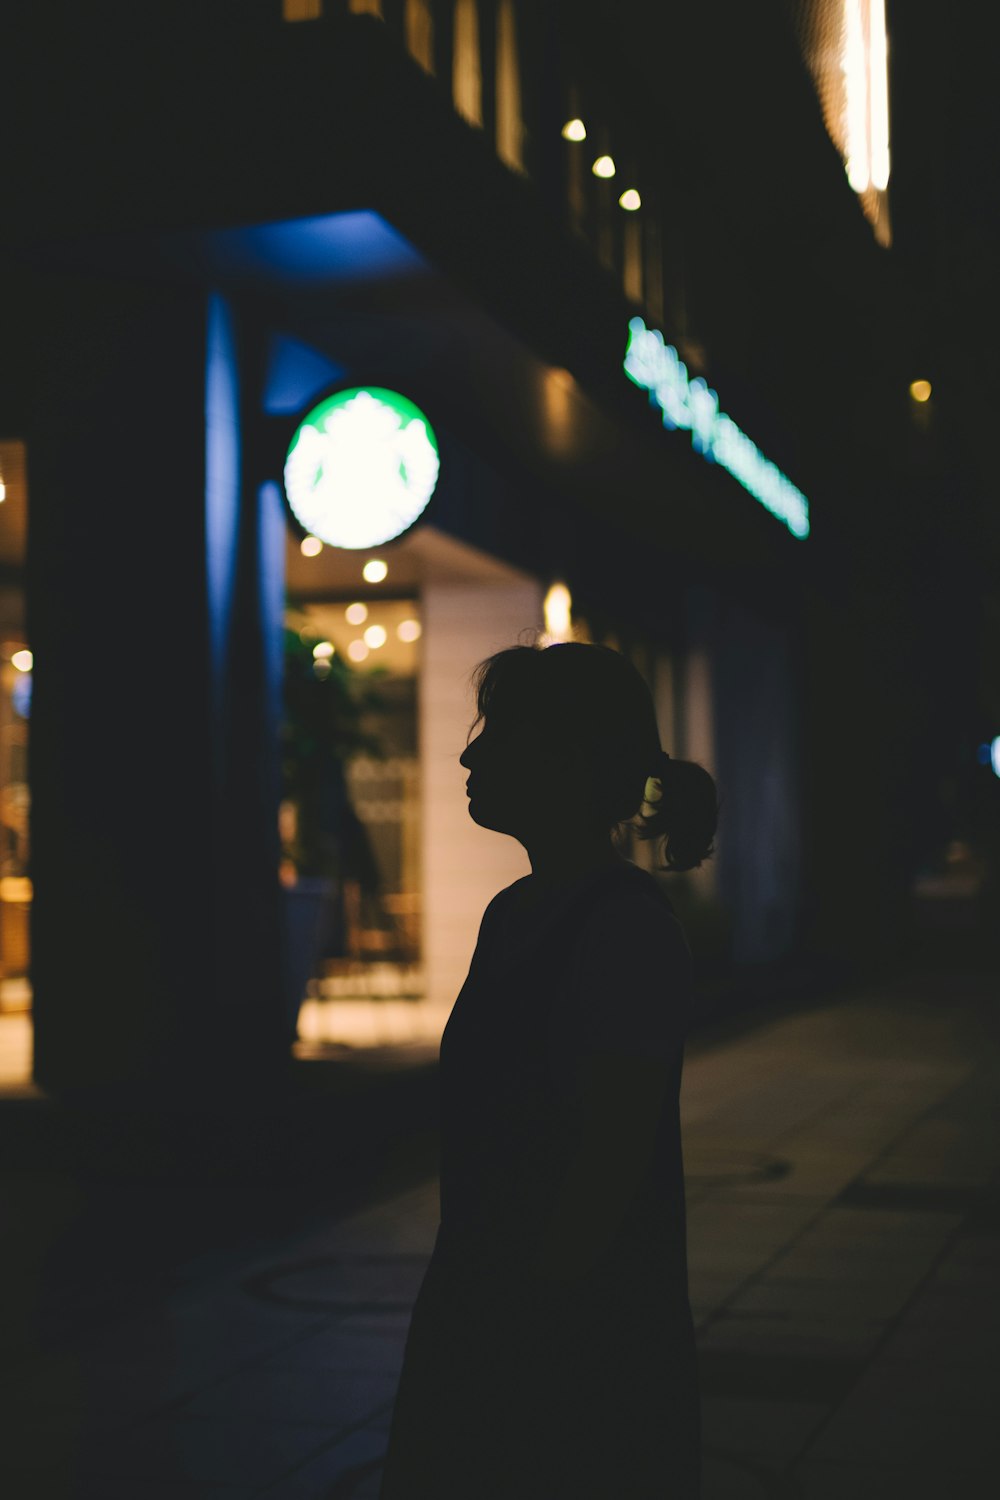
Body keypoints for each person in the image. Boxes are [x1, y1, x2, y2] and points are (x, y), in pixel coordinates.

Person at [378, 639, 720, 1499]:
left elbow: (608, 1160)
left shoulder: (624, 929)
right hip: (489, 1290)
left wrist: (525, 1319)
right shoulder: (518, 911)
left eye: (495, 731)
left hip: (569, 1323)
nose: (468, 751)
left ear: (565, 759)